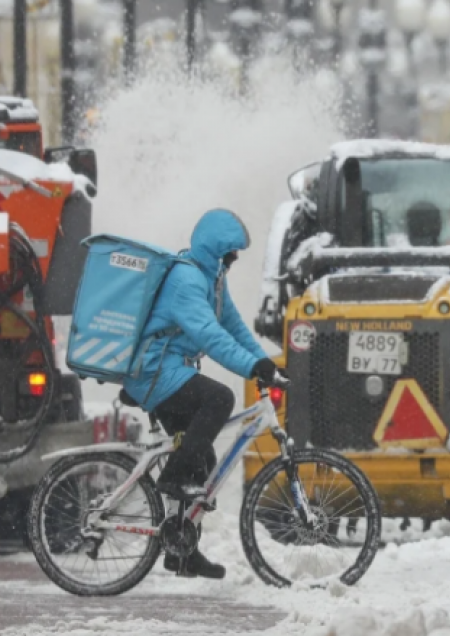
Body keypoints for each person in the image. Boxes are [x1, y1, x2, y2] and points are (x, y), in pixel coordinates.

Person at [122, 208, 280, 580]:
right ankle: (172, 475)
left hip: (171, 371)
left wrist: (268, 364)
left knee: (203, 459)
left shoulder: (213, 280)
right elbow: (210, 335)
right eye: (231, 253)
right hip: (155, 372)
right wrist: (251, 368)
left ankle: (182, 552)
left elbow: (235, 329)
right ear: (215, 249)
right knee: (220, 398)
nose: (235, 259)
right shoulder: (187, 281)